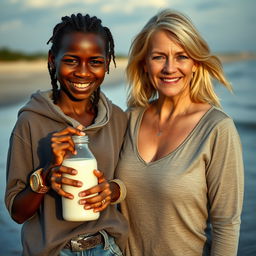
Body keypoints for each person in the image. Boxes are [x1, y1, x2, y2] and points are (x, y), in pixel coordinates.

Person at [116, 9, 244, 256]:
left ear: (195, 63)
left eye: (182, 56)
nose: (170, 68)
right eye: (159, 57)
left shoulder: (217, 129)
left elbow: (226, 225)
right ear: (144, 64)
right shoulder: (130, 118)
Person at [5, 13, 128, 256]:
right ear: (53, 60)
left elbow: (130, 184)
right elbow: (18, 213)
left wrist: (112, 190)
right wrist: (46, 175)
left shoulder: (117, 118)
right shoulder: (30, 121)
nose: (83, 72)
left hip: (108, 248)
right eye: (72, 60)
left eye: (95, 62)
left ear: (107, 62)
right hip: (54, 250)